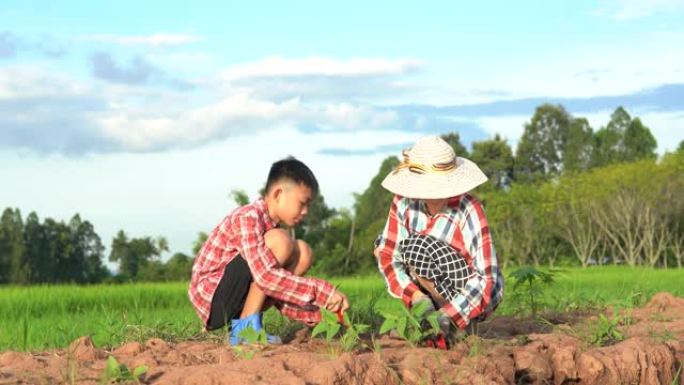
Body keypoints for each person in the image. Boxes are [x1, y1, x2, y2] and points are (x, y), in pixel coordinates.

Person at [188, 157, 349, 345]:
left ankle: (246, 325)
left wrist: (322, 312)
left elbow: (276, 293)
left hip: (234, 294)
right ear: (278, 194)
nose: (306, 211)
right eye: (302, 203)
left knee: (303, 252)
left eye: (308, 205)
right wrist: (322, 291)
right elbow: (265, 277)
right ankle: (245, 331)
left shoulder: (270, 228)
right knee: (282, 241)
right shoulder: (248, 217)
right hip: (212, 297)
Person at [374, 136, 504, 344]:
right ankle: (426, 320)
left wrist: (449, 315)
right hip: (428, 284)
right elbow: (389, 254)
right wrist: (416, 297)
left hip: (471, 291)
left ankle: (454, 325)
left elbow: (486, 279)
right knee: (383, 244)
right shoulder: (403, 202)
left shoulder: (469, 209)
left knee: (417, 247)